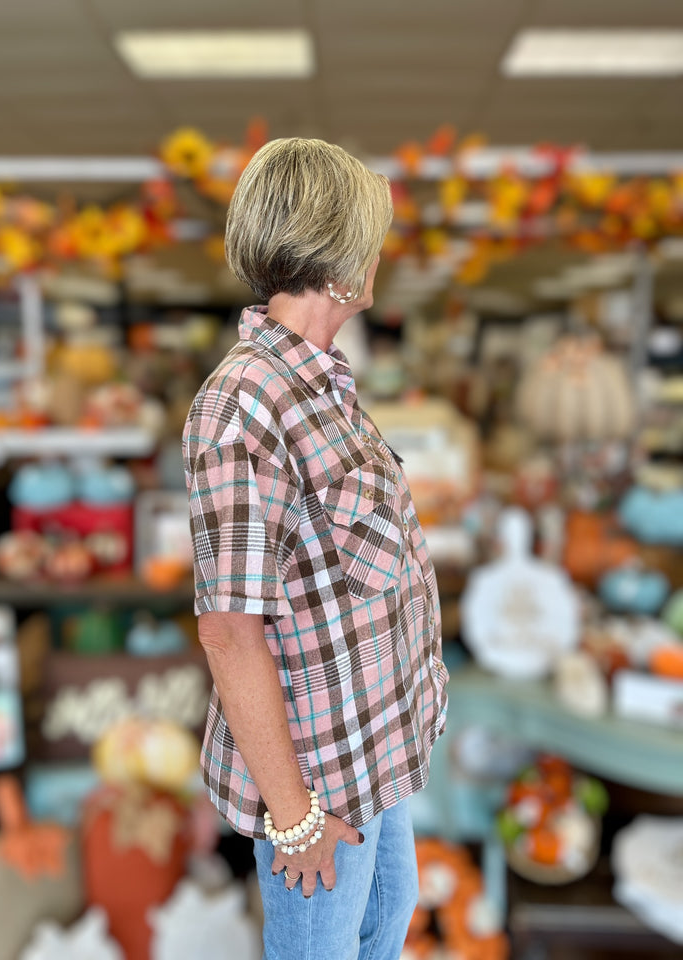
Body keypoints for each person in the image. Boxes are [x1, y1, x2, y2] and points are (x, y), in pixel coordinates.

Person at [183, 138, 448, 960]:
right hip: (320, 780)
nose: (379, 258)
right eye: (369, 237)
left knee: (388, 919)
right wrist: (294, 818)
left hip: (373, 752)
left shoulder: (319, 381)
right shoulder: (244, 404)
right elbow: (230, 631)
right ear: (339, 259)